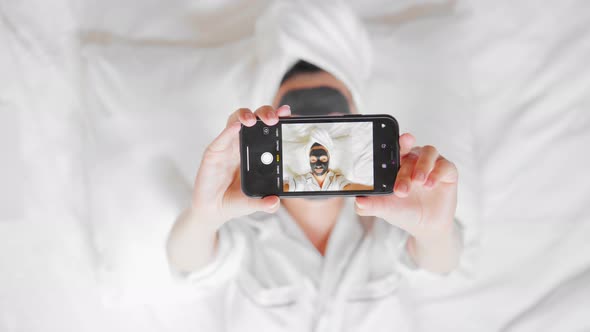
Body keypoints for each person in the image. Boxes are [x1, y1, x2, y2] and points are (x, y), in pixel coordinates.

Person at [166, 60, 461, 329]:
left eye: (331, 123)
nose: (318, 142)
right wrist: (204, 216)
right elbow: (188, 263)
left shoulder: (393, 216)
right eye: (301, 125)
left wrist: (435, 233)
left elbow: (440, 264)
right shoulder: (242, 224)